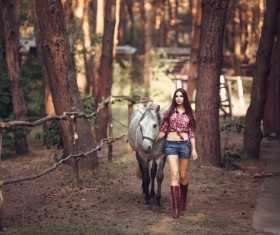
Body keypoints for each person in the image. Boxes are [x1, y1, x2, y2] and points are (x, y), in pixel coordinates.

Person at [156, 88, 198, 219]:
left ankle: (183, 200)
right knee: (174, 174)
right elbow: (163, 129)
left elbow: (191, 132)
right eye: (176, 96)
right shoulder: (168, 113)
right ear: (174, 98)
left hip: (185, 145)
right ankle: (175, 208)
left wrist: (194, 149)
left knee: (183, 176)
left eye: (181, 96)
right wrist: (155, 137)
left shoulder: (191, 113)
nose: (178, 98)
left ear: (185, 98)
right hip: (171, 145)